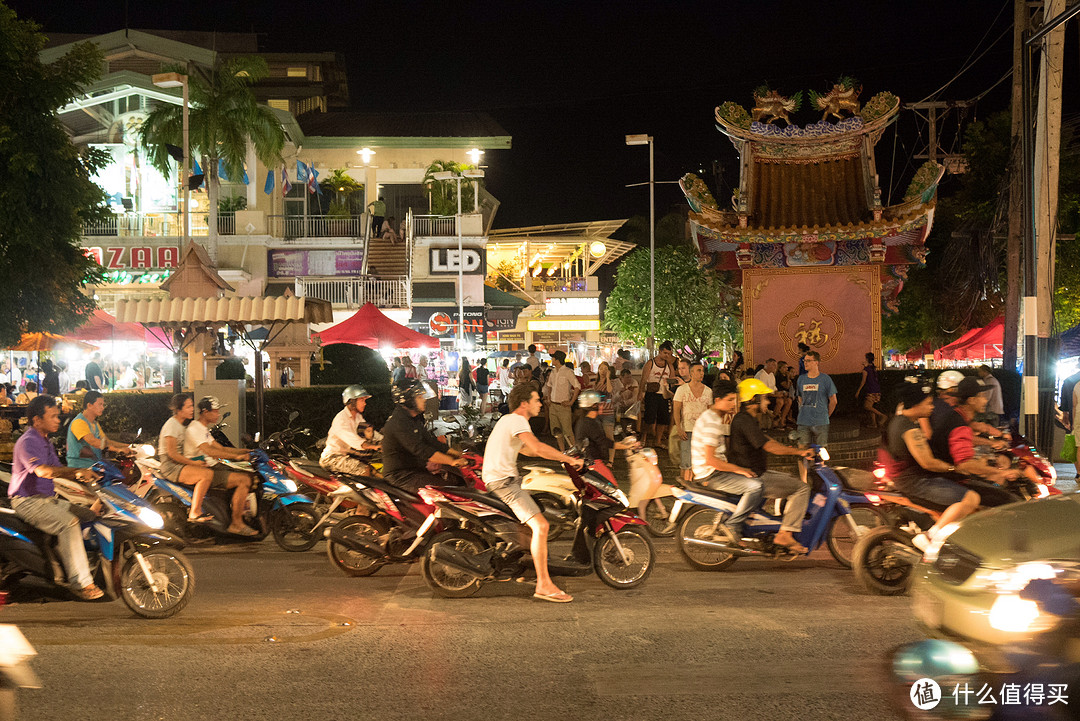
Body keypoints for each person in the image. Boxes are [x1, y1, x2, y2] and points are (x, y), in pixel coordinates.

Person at [483, 383, 585, 603]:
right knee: (542, 525)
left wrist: (560, 456)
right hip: (504, 484)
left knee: (533, 522)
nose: (541, 404)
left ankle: (525, 567)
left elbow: (528, 450)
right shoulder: (517, 420)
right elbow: (537, 448)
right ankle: (544, 584)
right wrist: (568, 459)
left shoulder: (507, 421)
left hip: (502, 481)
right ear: (524, 403)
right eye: (537, 400)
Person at [8, 395, 104, 600]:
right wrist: (78, 473)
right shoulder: (28, 442)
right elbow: (43, 471)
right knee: (69, 523)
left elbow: (61, 471)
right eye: (52, 416)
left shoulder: (46, 442)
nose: (58, 421)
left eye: (57, 416)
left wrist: (83, 477)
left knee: (90, 515)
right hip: (28, 501)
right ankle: (82, 582)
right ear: (37, 420)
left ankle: (86, 563)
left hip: (47, 500)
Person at [883, 383, 982, 552]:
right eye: (928, 403)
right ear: (915, 405)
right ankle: (930, 536)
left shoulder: (898, 421)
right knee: (971, 498)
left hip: (905, 479)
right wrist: (953, 469)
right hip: (915, 482)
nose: (931, 407)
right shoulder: (909, 429)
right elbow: (927, 462)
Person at [725, 379, 815, 553]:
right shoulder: (745, 421)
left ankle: (781, 522)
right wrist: (798, 452)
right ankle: (785, 533)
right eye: (765, 398)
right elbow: (769, 447)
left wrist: (791, 448)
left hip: (756, 472)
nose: (768, 402)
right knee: (802, 488)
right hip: (755, 476)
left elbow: (765, 440)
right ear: (753, 400)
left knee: (789, 479)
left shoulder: (748, 420)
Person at [183, 397, 260, 536]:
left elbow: (219, 448)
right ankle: (236, 524)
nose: (218, 414)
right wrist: (237, 457)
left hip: (214, 467)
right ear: (205, 412)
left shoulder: (203, 429)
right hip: (205, 470)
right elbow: (210, 451)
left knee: (249, 473)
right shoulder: (194, 429)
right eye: (215, 411)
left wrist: (243, 451)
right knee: (244, 480)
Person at [381, 381, 467, 492]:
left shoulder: (413, 419)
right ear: (408, 400)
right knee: (448, 488)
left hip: (415, 469)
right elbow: (421, 450)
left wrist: (458, 454)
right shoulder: (399, 423)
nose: (425, 399)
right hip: (400, 476)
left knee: (457, 478)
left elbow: (431, 441)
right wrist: (451, 461)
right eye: (420, 397)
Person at [320, 385, 381, 477]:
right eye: (362, 400)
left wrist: (386, 440)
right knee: (364, 470)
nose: (365, 403)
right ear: (351, 401)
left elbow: (369, 432)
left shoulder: (358, 417)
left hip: (349, 456)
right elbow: (354, 441)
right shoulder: (341, 419)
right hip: (333, 458)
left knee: (377, 473)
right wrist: (374, 446)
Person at [65, 391, 132, 469]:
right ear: (89, 405)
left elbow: (107, 441)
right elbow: (93, 441)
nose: (102, 408)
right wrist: (118, 450)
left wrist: (129, 446)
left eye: (103, 405)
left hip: (94, 466)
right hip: (80, 468)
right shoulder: (79, 422)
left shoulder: (95, 424)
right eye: (100, 404)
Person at [673, 362, 712, 483]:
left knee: (702, 458)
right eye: (699, 371)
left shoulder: (708, 391)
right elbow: (676, 410)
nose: (702, 373)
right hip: (687, 428)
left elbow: (710, 412)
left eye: (702, 371)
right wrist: (679, 427)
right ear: (691, 373)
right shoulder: (682, 390)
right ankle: (685, 485)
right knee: (686, 460)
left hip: (702, 430)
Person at [574, 391, 634, 463]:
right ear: (593, 406)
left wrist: (624, 443)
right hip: (593, 463)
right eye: (600, 404)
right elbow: (603, 442)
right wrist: (627, 446)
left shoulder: (589, 420)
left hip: (595, 461)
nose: (603, 406)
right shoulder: (588, 423)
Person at [795, 351, 837, 448]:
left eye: (808, 361)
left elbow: (833, 401)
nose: (805, 363)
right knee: (802, 451)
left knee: (821, 451)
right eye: (804, 361)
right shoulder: (801, 379)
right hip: (803, 421)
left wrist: (826, 415)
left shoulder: (825, 379)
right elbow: (800, 397)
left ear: (816, 362)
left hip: (820, 421)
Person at [637, 341, 676, 447]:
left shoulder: (669, 366)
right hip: (652, 393)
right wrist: (640, 392)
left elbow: (672, 380)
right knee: (649, 417)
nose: (667, 356)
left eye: (669, 353)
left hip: (664, 395)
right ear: (660, 352)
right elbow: (644, 379)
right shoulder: (651, 363)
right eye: (665, 353)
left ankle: (658, 441)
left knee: (663, 419)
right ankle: (643, 437)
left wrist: (669, 387)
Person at [543, 350, 580, 450]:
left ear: (557, 359)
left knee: (568, 431)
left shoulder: (568, 372)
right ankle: (563, 451)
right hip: (553, 405)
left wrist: (571, 402)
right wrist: (549, 398)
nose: (551, 359)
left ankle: (574, 452)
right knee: (557, 431)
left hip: (563, 406)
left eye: (553, 358)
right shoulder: (553, 372)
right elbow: (549, 385)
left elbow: (577, 386)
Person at [855, 352, 887, 429]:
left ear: (866, 359)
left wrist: (858, 391)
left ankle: (882, 416)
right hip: (877, 390)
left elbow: (863, 382)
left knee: (867, 406)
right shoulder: (873, 368)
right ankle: (874, 424)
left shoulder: (866, 370)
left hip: (871, 390)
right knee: (871, 407)